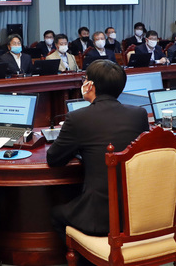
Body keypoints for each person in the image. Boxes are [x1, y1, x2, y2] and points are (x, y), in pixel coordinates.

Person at [47, 59, 149, 237]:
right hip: (135, 212)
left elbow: (54, 159)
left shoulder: (77, 118)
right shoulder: (139, 114)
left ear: (90, 85)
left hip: (99, 217)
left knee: (55, 214)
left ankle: (91, 259)